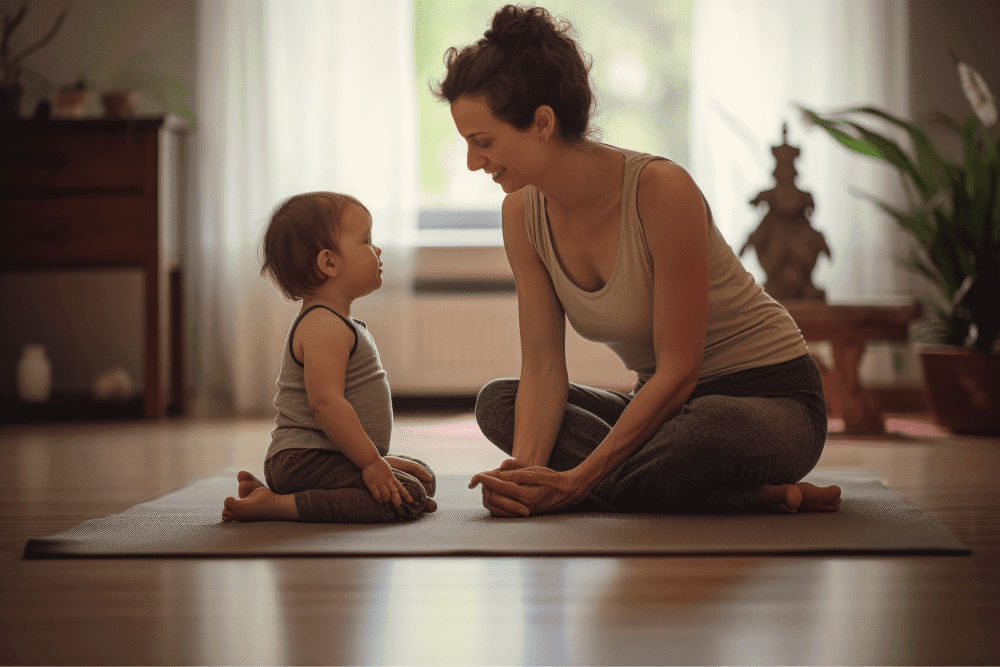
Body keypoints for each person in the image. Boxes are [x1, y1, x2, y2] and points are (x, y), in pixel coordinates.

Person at [435, 5, 842, 518]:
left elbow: (679, 373)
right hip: (665, 412)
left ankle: (638, 484)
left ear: (542, 122)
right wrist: (528, 476)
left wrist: (575, 482)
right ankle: (731, 499)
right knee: (499, 403)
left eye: (483, 141)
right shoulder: (520, 213)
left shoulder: (660, 190)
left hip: (769, 401)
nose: (473, 161)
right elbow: (542, 366)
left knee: (693, 439)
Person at [222, 192, 437, 523]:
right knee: (410, 497)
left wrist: (379, 461)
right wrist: (370, 463)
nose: (377, 249)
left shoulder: (334, 322)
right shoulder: (324, 326)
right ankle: (278, 506)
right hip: (305, 460)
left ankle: (274, 494)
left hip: (323, 455)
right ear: (329, 262)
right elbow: (326, 404)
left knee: (421, 477)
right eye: (366, 240)